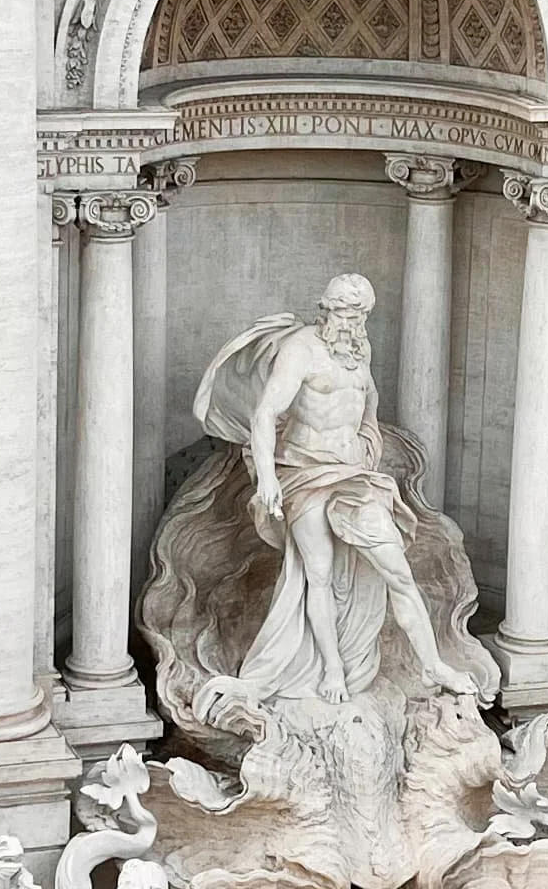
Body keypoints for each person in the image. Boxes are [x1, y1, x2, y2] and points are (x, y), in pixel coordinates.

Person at [197, 272, 462, 705]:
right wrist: (266, 477)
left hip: (353, 477)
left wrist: (368, 441)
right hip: (304, 474)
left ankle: (433, 664)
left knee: (397, 568)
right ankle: (332, 670)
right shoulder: (300, 349)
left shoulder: (360, 350)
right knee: (316, 576)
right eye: (342, 311)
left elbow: (368, 403)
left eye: (358, 314)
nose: (350, 321)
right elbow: (265, 414)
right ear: (325, 309)